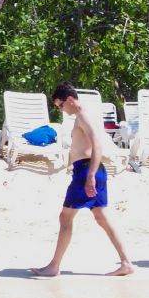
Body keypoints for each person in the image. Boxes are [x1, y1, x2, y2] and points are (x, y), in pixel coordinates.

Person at [31, 82, 135, 277]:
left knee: (66, 217)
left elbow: (98, 145)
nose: (60, 109)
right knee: (102, 217)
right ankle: (126, 262)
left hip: (87, 171)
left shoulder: (83, 117)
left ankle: (54, 266)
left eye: (60, 105)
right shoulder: (83, 117)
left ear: (70, 99)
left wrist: (90, 176)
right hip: (89, 170)